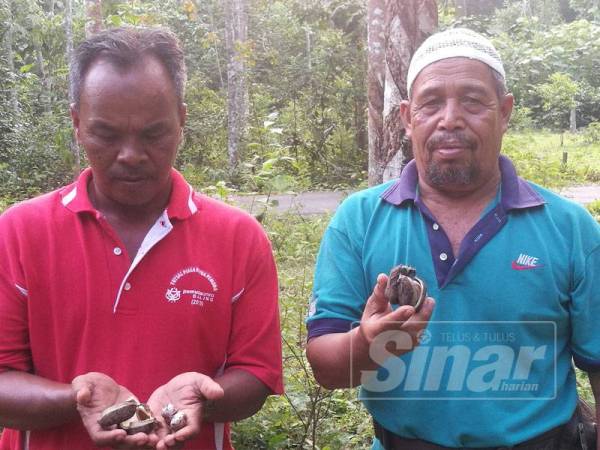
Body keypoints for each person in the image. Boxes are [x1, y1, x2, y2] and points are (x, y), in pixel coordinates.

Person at [306, 28, 600, 449]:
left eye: (472, 101)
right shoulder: (359, 220)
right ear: (408, 117)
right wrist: (368, 345)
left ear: (505, 111)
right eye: (431, 103)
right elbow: (326, 367)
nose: (450, 119)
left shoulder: (570, 229)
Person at [0, 27, 283, 450]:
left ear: (182, 121)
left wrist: (197, 399)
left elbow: (257, 376)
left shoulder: (239, 238)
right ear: (77, 123)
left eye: (153, 134)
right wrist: (78, 399)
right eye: (107, 134)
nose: (130, 154)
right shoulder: (19, 232)